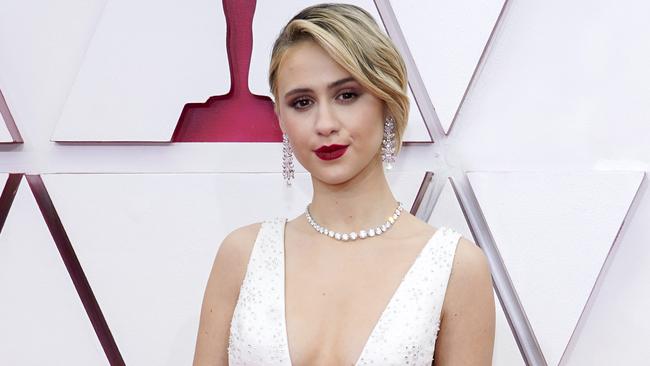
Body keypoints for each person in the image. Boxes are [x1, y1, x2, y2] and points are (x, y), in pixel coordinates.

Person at [193, 3, 495, 365]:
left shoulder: (457, 267)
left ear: (386, 98)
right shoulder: (241, 256)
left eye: (346, 95)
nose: (325, 123)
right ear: (281, 119)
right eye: (302, 102)